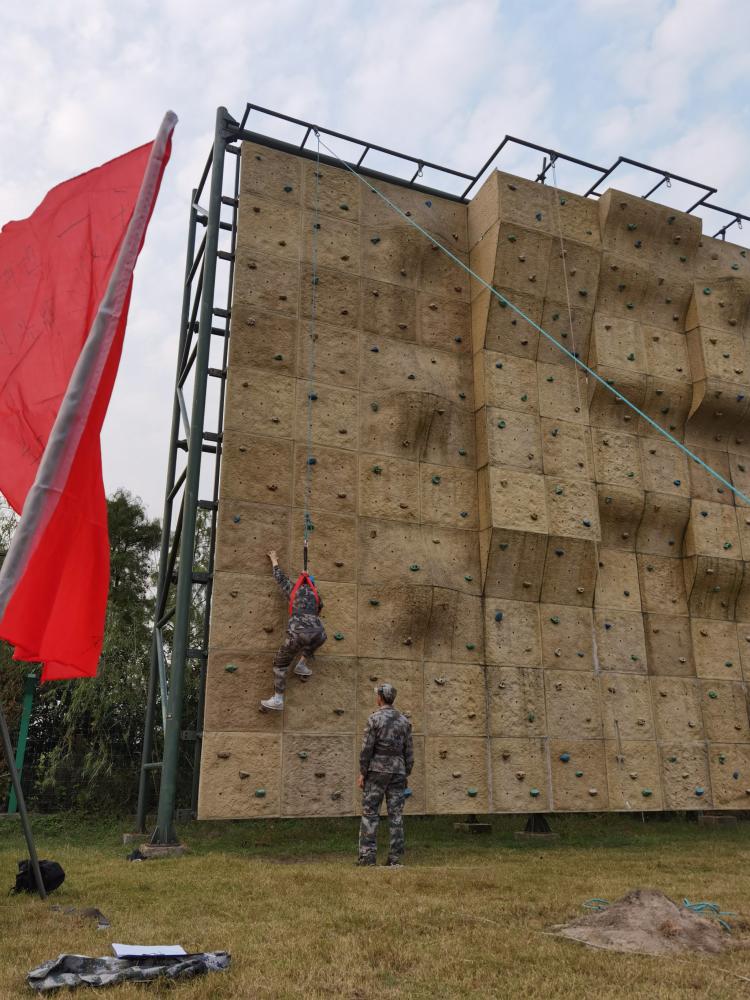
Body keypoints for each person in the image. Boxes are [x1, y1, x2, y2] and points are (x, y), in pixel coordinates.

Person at [260, 550, 327, 711]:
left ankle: (278, 699)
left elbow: (279, 577)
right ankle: (302, 664)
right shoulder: (316, 595)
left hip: (298, 633)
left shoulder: (293, 589)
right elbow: (320, 608)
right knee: (312, 642)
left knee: (280, 664)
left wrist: (274, 560)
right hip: (320, 633)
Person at [357, 683, 414, 867]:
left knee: (370, 813)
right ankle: (395, 858)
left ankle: (367, 857)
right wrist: (406, 771)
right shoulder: (405, 722)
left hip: (376, 770)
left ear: (380, 698)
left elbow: (366, 749)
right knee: (396, 815)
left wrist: (363, 772)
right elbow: (409, 752)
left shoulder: (374, 719)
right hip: (398, 771)